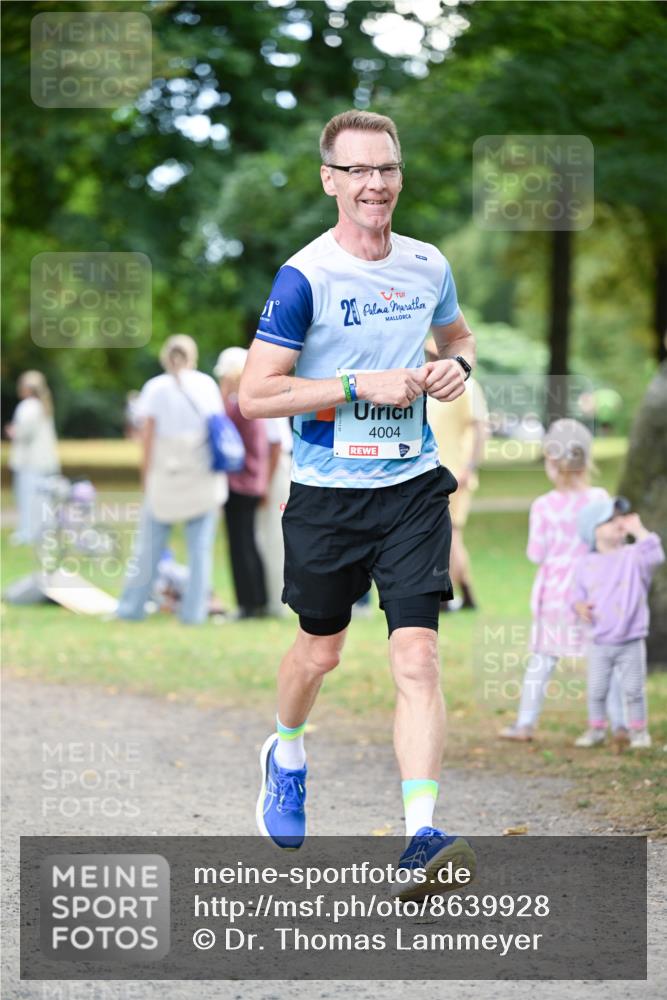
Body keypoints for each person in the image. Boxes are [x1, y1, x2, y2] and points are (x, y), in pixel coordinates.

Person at [239, 109, 476, 889]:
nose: (375, 185)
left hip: (411, 486)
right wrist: (350, 385)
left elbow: (459, 340)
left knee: (418, 655)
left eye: (386, 169)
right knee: (321, 651)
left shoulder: (426, 264)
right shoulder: (304, 277)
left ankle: (421, 836)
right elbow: (254, 397)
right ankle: (286, 747)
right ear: (330, 181)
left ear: (398, 176)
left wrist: (456, 371)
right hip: (325, 498)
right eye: (358, 171)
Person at [500, 419, 625, 741]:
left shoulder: (544, 506)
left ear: (552, 461)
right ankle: (618, 724)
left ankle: (525, 724)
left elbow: (536, 553)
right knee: (602, 659)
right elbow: (613, 545)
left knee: (543, 659)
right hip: (594, 591)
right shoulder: (600, 500)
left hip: (556, 594)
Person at [117, 335, 225, 625]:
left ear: (165, 357)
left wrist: (145, 477)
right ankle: (194, 614)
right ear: (193, 356)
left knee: (148, 548)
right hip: (201, 476)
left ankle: (131, 608)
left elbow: (148, 438)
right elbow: (218, 432)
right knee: (200, 551)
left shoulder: (155, 388)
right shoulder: (206, 385)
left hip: (165, 476)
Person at [572, 499, 664, 749]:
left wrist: (639, 530)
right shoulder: (585, 564)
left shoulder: (633, 557)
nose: (619, 523)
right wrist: (580, 607)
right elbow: (577, 595)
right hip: (600, 641)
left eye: (620, 517)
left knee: (634, 689)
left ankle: (639, 732)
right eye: (610, 520)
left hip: (631, 638)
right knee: (597, 690)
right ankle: (596, 729)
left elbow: (656, 554)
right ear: (594, 530)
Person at [426, 338, 489, 610]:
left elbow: (480, 430)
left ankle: (447, 596)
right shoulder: (429, 389)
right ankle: (466, 592)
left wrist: (469, 467)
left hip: (456, 473)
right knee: (446, 534)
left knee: (450, 534)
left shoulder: (468, 386)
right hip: (433, 471)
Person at [215, 347, 269, 620]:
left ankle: (248, 604)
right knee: (248, 542)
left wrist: (224, 391)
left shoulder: (237, 406)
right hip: (252, 482)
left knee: (240, 545)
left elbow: (219, 422)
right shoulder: (251, 403)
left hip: (239, 484)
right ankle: (256, 600)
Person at [5, 370, 59, 545]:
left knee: (28, 498)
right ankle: (43, 531)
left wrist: (12, 431)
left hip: (30, 462)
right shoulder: (43, 405)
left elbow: (24, 432)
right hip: (45, 461)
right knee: (43, 499)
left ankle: (28, 533)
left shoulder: (28, 406)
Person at [256, 416, 293, 618]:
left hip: (275, 470)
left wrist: (264, 484)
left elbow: (276, 444)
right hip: (274, 468)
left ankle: (278, 603)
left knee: (274, 541)